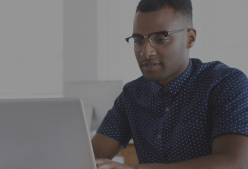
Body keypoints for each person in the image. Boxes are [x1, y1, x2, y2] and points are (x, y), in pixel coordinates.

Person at [91, 0, 248, 169]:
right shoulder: (132, 94)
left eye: (159, 39)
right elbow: (94, 153)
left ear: (190, 38)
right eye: (138, 41)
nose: (145, 52)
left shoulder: (225, 83)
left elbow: (235, 163)